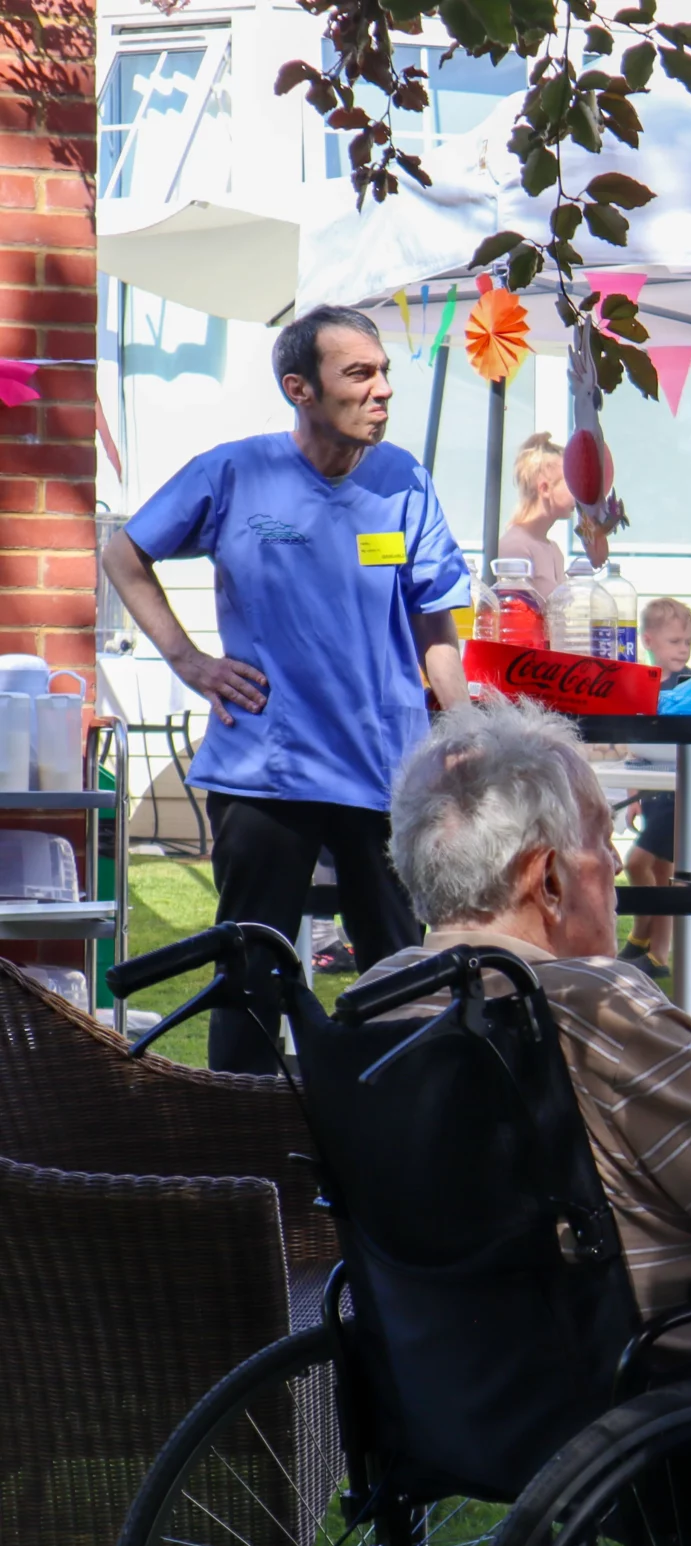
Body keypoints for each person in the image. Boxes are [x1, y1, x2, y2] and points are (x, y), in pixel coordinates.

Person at [359, 695, 691, 1350]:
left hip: (447, 1379)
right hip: (675, 1380)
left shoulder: (376, 1001)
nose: (619, 861)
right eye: (602, 836)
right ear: (547, 879)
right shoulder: (596, 1009)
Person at [99, 303, 471, 1073]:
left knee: (402, 974)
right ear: (299, 388)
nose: (382, 390)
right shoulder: (237, 472)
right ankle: (240, 1131)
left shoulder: (405, 480)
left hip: (384, 770)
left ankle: (394, 1124)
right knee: (250, 974)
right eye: (359, 373)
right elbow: (124, 554)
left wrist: (466, 734)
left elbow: (435, 624)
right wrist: (189, 660)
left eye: (384, 372)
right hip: (266, 768)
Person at [618, 598, 691, 980]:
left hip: (684, 790)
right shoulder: (640, 684)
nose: (683, 649)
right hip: (653, 789)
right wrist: (634, 794)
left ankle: (649, 945)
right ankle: (652, 950)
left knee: (638, 863)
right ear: (648, 640)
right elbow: (636, 743)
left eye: (688, 642)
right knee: (663, 869)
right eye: (675, 641)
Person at [497, 430, 575, 599]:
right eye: (572, 482)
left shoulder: (554, 550)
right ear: (545, 489)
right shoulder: (515, 548)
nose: (578, 491)